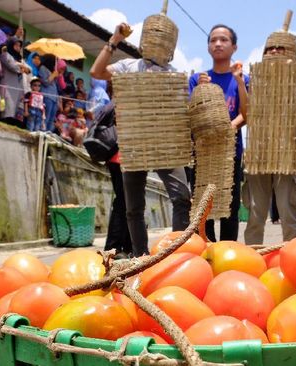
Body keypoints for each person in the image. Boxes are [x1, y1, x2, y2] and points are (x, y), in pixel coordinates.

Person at [90, 22, 192, 257]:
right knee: (133, 207)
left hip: (166, 141)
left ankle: (177, 253)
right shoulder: (128, 66)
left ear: (171, 44)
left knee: (181, 196)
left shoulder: (173, 75)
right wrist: (114, 40)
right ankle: (140, 257)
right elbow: (97, 72)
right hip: (135, 141)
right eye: (152, 33)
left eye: (163, 36)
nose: (156, 39)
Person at [242, 39, 296, 244]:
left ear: (291, 53)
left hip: (289, 157)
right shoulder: (255, 81)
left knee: (289, 216)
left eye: (279, 48)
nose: (273, 52)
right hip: (259, 155)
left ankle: (294, 261)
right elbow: (247, 115)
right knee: (255, 215)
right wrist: (239, 82)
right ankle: (252, 260)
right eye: (269, 48)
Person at [189, 24, 248, 242]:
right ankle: (205, 252)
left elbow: (247, 113)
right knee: (203, 206)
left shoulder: (242, 78)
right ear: (208, 47)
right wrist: (200, 92)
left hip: (231, 152)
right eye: (213, 40)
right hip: (203, 152)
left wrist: (229, 128)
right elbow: (191, 114)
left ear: (234, 47)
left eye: (223, 40)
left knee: (229, 207)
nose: (218, 44)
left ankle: (228, 251)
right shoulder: (197, 79)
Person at [0, 36, 30, 126]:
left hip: (17, 87)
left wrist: (21, 65)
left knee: (14, 113)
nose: (18, 47)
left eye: (20, 46)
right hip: (8, 85)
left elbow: (28, 71)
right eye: (16, 45)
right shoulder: (5, 55)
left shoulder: (19, 59)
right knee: (6, 109)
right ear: (11, 45)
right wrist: (21, 66)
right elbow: (12, 66)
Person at [38, 54, 59, 132]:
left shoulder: (52, 71)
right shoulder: (43, 68)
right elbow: (45, 82)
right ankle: (42, 132)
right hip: (47, 95)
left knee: (51, 119)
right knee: (45, 117)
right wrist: (53, 75)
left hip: (54, 98)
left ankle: (48, 134)